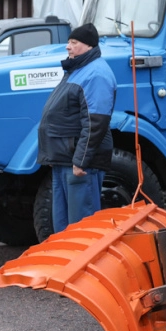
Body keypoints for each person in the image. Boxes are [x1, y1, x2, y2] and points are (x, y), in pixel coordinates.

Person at [37, 22, 116, 234]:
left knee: (82, 227)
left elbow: (95, 122)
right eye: (68, 42)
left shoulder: (96, 74)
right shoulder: (76, 70)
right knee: (63, 229)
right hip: (64, 159)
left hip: (79, 164)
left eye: (74, 42)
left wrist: (81, 161)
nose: (68, 47)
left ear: (88, 46)